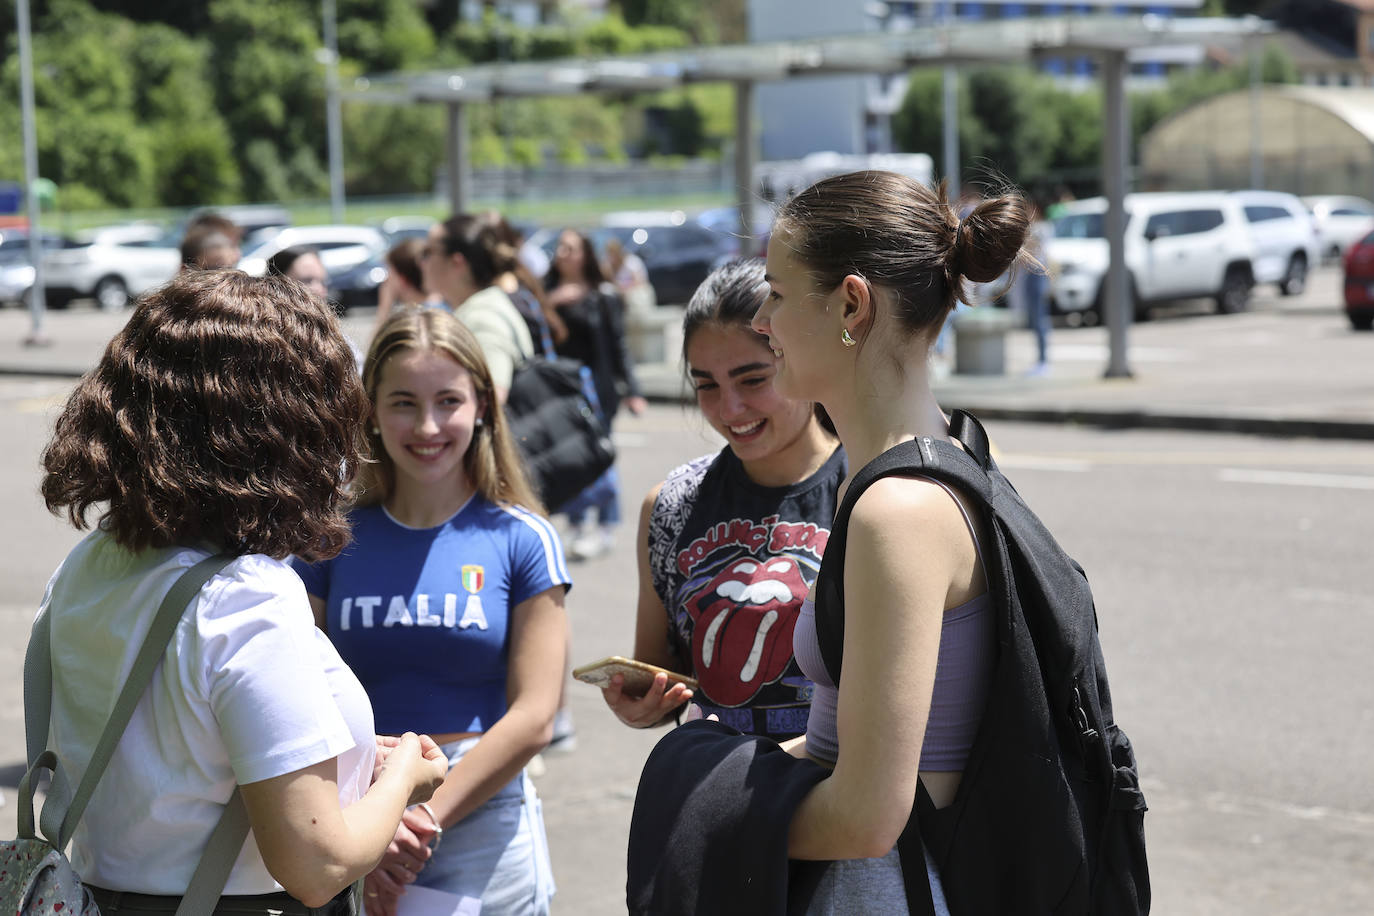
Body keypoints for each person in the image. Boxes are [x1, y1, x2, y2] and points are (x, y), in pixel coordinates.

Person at [34, 270, 449, 915]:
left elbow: (177, 759)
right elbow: (318, 864)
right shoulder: (244, 598)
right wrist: (403, 778)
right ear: (282, 429)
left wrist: (348, 758)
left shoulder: (92, 563)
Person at [751, 170, 1031, 911]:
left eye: (777, 294)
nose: (761, 321)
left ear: (851, 304)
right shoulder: (945, 456)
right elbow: (837, 744)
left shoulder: (896, 510)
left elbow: (867, 816)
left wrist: (706, 813)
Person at [292, 307, 569, 916]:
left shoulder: (523, 538)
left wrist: (416, 820)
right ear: (369, 411)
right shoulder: (327, 538)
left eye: (448, 400)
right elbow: (296, 693)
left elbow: (535, 716)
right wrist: (378, 820)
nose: (427, 425)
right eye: (402, 402)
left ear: (483, 405)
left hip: (480, 818)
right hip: (354, 812)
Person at [601, 259, 845, 740]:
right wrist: (646, 704)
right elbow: (662, 668)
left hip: (841, 795)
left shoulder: (874, 490)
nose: (729, 409)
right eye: (706, 385)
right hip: (718, 792)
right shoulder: (672, 505)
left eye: (753, 379)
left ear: (799, 360)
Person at [544, 228, 647, 560]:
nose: (563, 252)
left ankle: (605, 527)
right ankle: (575, 523)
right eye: (560, 246)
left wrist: (632, 390)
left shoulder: (603, 295)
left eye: (571, 247)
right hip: (560, 389)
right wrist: (549, 304)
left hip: (595, 389)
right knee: (570, 459)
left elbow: (618, 346)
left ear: (586, 254)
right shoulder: (547, 293)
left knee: (600, 458)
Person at [420, 214, 535, 402]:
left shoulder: (482, 317)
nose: (421, 262)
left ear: (456, 262)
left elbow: (493, 401)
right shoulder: (485, 304)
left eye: (428, 252)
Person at [371, 238, 430, 335]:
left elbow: (375, 349)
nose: (386, 280)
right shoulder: (444, 308)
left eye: (390, 274)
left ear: (402, 280)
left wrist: (384, 310)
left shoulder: (410, 324)